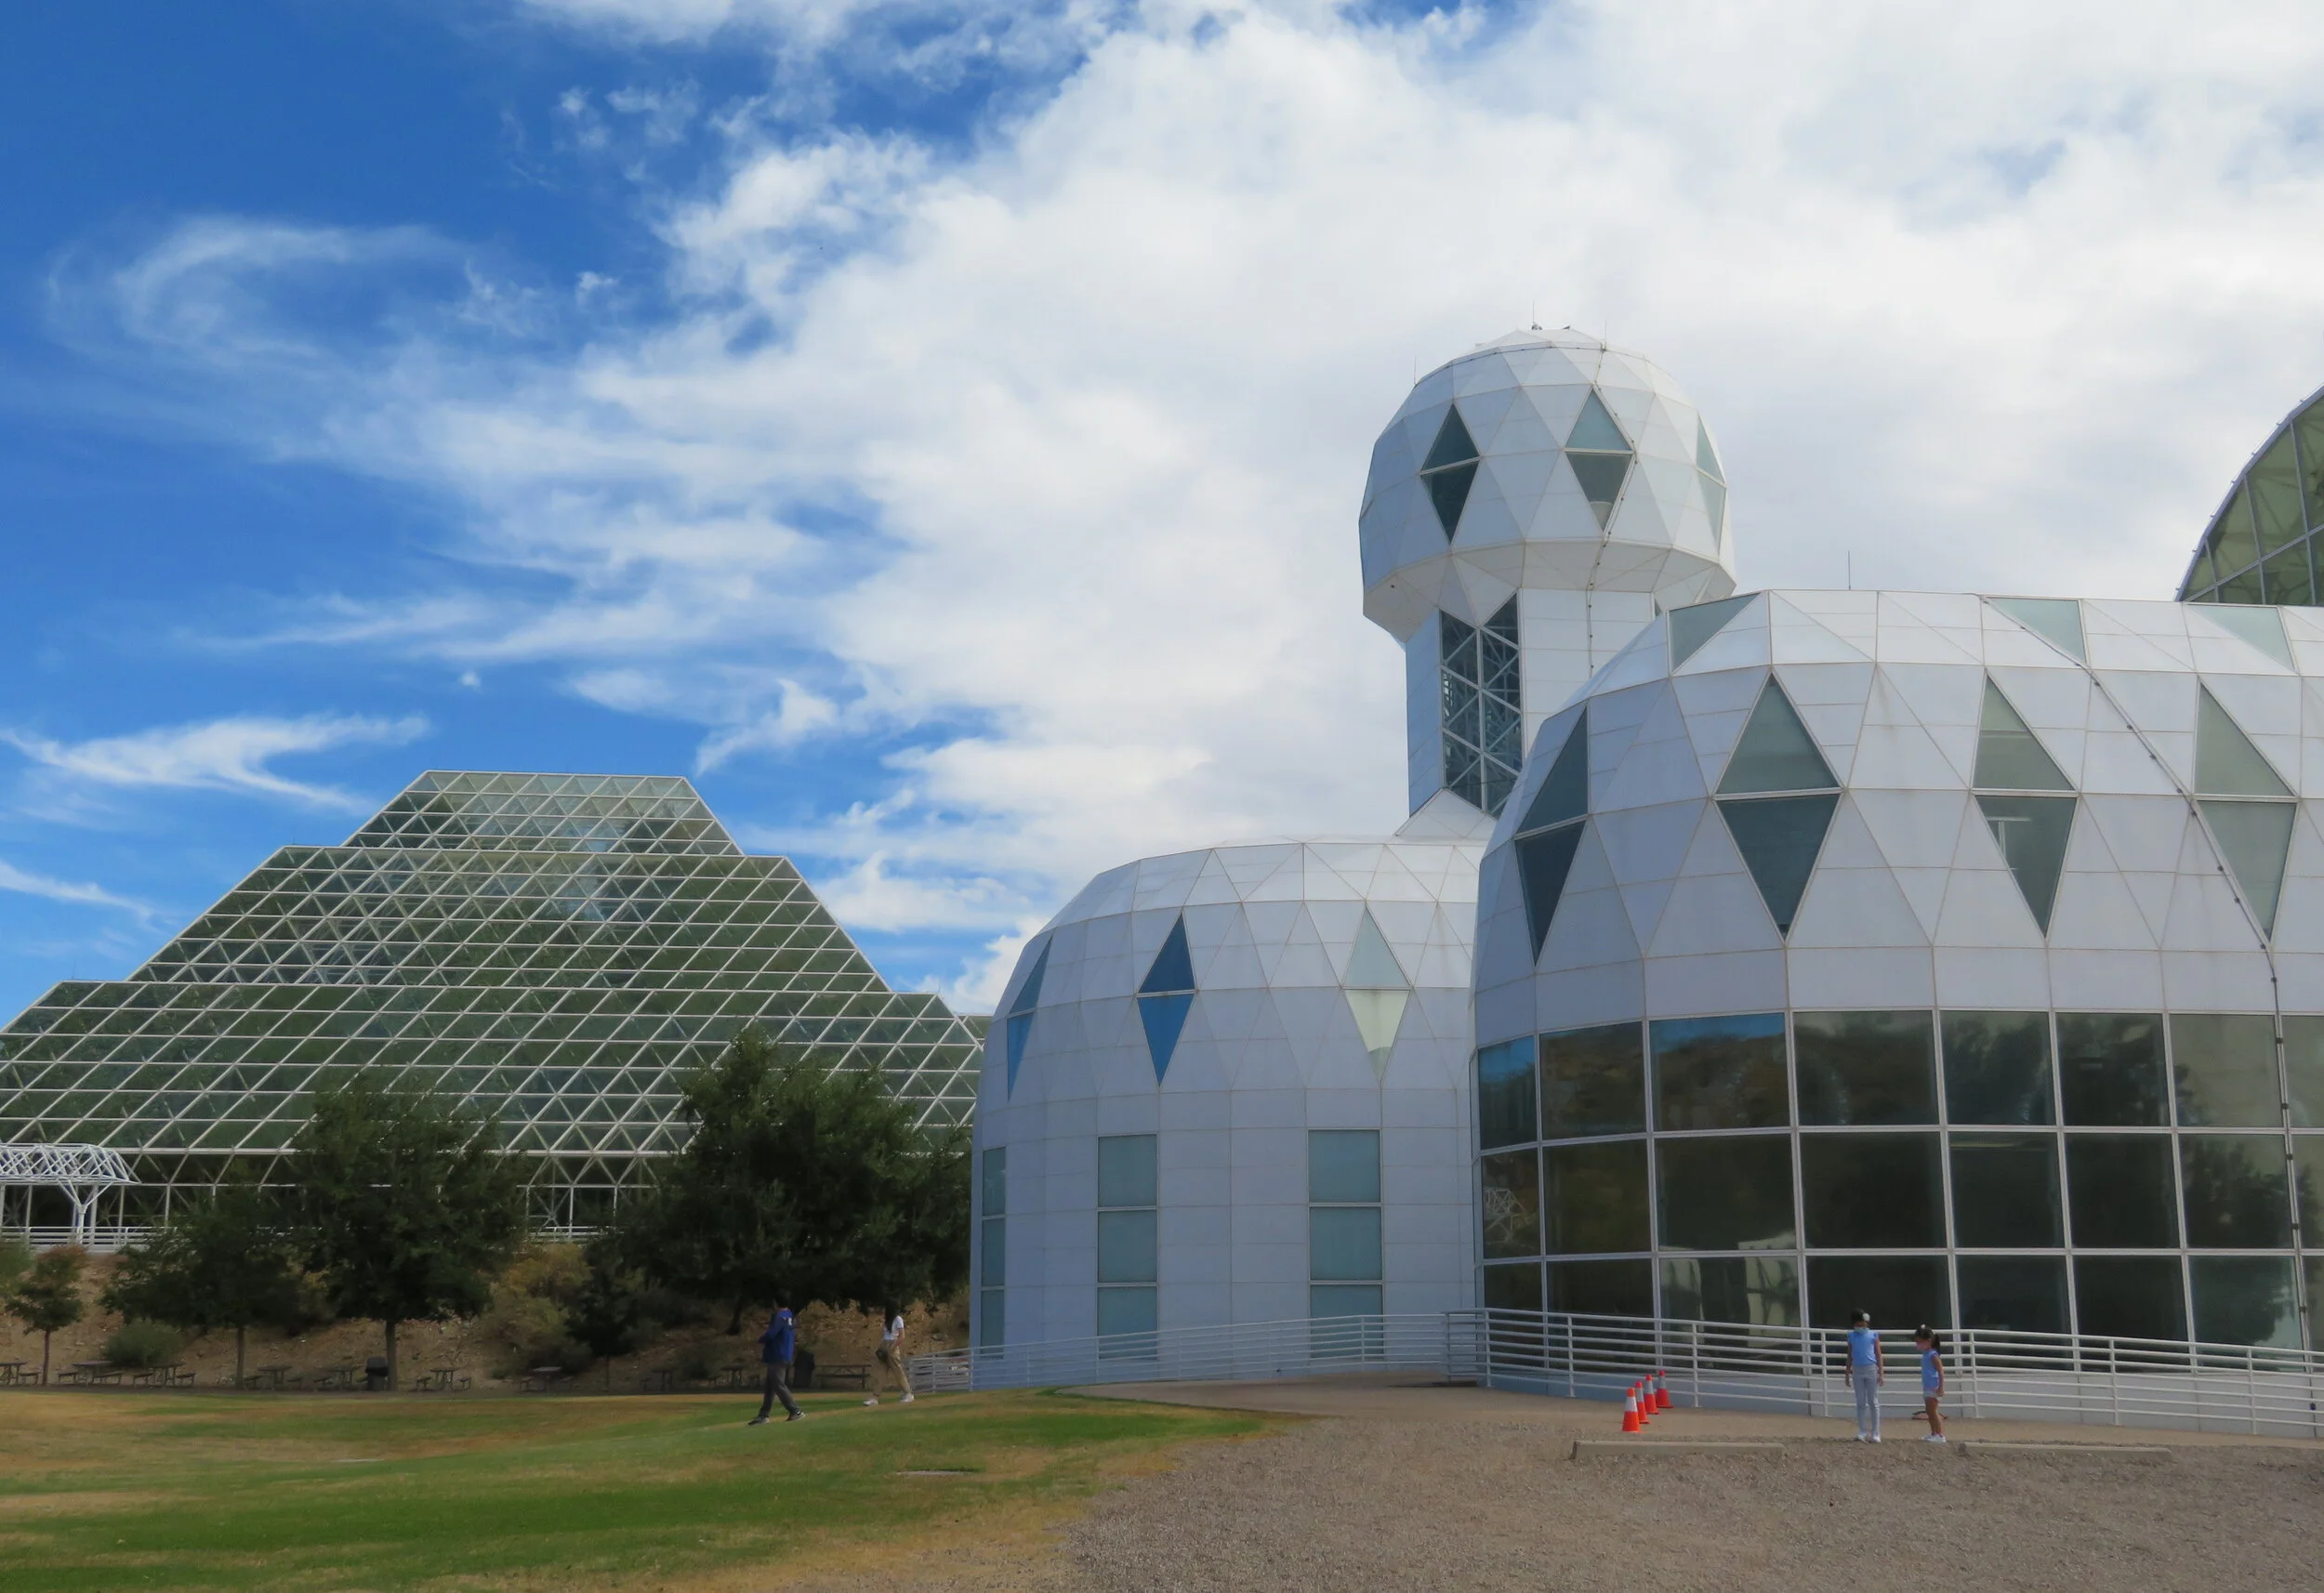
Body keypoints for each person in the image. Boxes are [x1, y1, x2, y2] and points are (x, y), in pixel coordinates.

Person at [746, 1297, 804, 1426]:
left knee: (778, 1385)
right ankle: (764, 1415)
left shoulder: (779, 1317)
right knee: (770, 1387)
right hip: (786, 1353)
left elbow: (771, 1334)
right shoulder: (790, 1316)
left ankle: (796, 1411)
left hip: (777, 1354)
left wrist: (760, 1339)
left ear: (775, 1303)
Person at [865, 1302, 915, 1406]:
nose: (883, 1311)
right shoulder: (887, 1321)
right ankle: (875, 1397)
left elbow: (902, 1336)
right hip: (884, 1344)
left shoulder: (898, 1319)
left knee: (897, 1371)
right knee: (880, 1372)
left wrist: (891, 1348)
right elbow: (885, 1335)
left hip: (893, 1345)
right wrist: (880, 1347)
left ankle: (908, 1394)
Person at [1846, 1310, 1882, 1443]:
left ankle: (1875, 1433)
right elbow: (1849, 1354)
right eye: (1857, 1323)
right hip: (1857, 1369)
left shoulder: (1873, 1334)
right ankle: (1862, 1431)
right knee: (1860, 1402)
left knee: (1873, 1401)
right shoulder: (1851, 1336)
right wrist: (1847, 1372)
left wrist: (1881, 1372)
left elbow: (1878, 1354)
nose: (1860, 1325)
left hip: (1871, 1368)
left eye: (1862, 1323)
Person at [1915, 1325, 1947, 1443]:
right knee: (1929, 1411)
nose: (1918, 1344)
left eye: (1920, 1342)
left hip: (1934, 1387)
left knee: (1933, 1412)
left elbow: (1940, 1371)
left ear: (1928, 1341)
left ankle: (1940, 1434)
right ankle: (1934, 1433)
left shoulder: (1933, 1355)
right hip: (1928, 1386)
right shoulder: (1926, 1354)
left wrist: (1941, 1387)